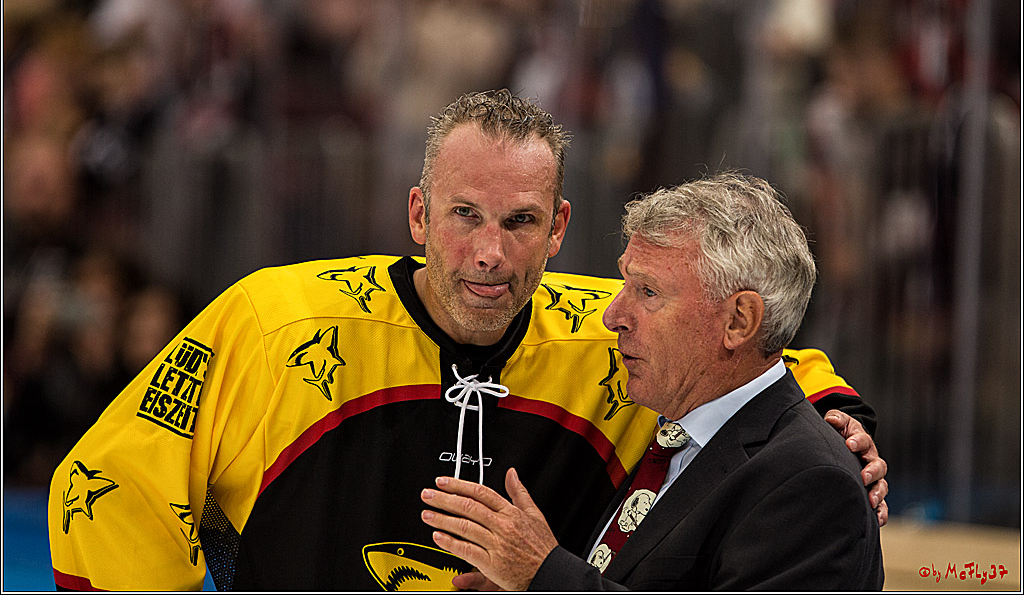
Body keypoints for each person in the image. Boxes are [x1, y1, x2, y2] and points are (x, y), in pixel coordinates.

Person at [48, 90, 886, 590]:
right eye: (464, 215)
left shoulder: (615, 331)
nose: (490, 251)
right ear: (418, 214)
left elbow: (753, 361)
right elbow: (106, 482)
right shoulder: (272, 322)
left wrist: (840, 416)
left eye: (520, 221)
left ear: (558, 227)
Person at [420, 173, 885, 590]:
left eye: (648, 292)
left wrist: (546, 576)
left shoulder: (813, 484)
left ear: (739, 321)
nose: (613, 315)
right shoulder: (670, 439)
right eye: (624, 284)